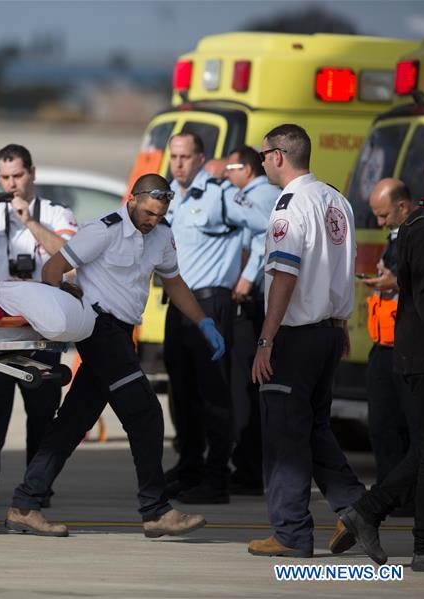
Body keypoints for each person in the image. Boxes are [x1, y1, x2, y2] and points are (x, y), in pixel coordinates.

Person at [5, 173, 221, 537]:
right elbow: (53, 269)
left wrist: (204, 322)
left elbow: (174, 282)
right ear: (133, 200)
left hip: (122, 334)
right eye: (149, 212)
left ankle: (25, 504)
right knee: (147, 414)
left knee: (73, 421)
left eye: (159, 214)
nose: (153, 220)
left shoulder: (162, 235)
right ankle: (155, 510)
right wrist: (62, 311)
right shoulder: (104, 230)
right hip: (99, 329)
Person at [248, 124, 366, 558]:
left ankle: (291, 533)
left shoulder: (289, 206)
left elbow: (285, 274)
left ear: (279, 156)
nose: (261, 162)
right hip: (328, 333)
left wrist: (265, 340)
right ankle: (356, 507)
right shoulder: (336, 200)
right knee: (314, 428)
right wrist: (341, 324)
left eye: (263, 155)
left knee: (284, 436)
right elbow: (343, 268)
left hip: (295, 337)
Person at [0, 143, 77, 507]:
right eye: (5, 177)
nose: (11, 184)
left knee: (43, 415)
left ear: (33, 172)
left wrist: (29, 220)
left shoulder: (57, 213)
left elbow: (71, 259)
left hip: (40, 332)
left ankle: (36, 489)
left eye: (18, 175)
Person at [163, 132, 268, 505]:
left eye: (185, 157)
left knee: (214, 394)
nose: (178, 163)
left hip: (210, 304)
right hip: (178, 306)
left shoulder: (221, 194)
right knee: (184, 395)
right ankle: (190, 468)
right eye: (173, 156)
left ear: (201, 157)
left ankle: (216, 477)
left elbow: (267, 225)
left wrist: (249, 273)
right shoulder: (171, 198)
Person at [339, 153, 424, 573]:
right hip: (421, 353)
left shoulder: (414, 227)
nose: (380, 222)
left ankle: (373, 514)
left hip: (413, 349)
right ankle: (413, 539)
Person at [223, 146, 281, 495]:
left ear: (245, 168)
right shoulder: (250, 194)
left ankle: (249, 468)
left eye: (230, 168)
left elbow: (266, 237)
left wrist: (246, 277)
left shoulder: (261, 195)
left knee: (245, 388)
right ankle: (245, 465)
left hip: (254, 302)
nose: (227, 175)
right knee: (241, 388)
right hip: (250, 301)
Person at [362, 179, 416, 484]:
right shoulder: (395, 236)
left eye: (384, 216)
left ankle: (406, 494)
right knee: (382, 421)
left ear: (403, 206)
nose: (380, 222)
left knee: (409, 424)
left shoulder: (419, 234)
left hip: (407, 343)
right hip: (384, 341)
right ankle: (390, 491)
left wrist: (394, 282)